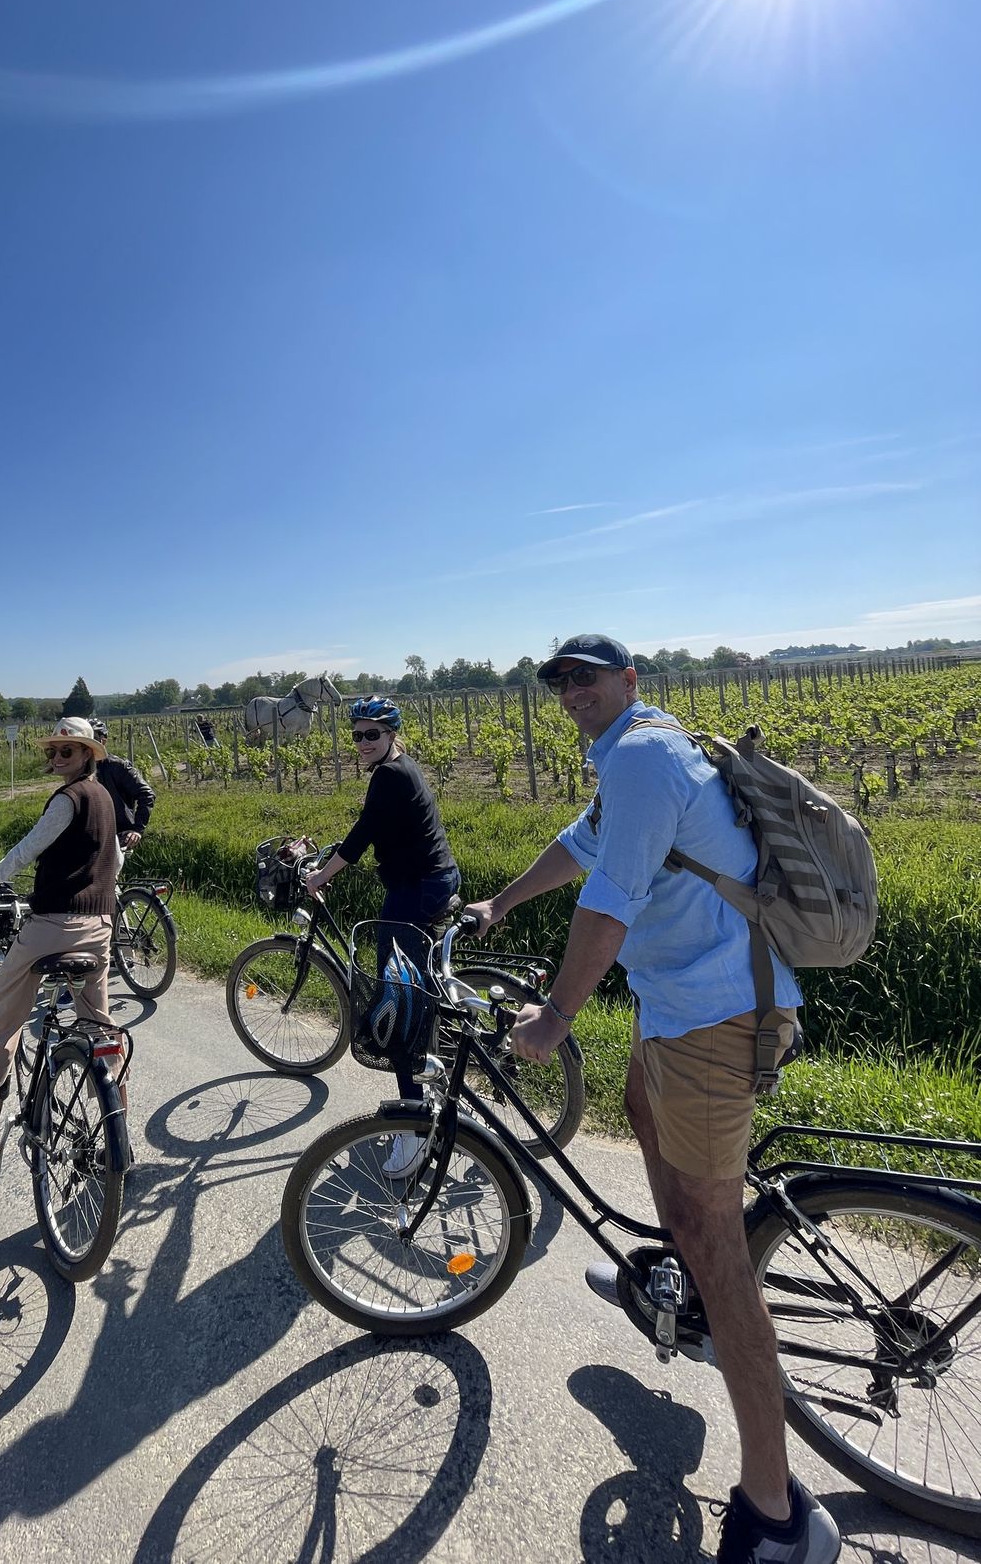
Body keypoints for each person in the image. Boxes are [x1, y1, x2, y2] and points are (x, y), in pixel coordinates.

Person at [465, 635, 838, 1564]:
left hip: (718, 1010)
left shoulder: (641, 753)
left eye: (585, 676)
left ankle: (777, 1511)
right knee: (638, 1105)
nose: (570, 692)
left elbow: (610, 896)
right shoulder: (632, 757)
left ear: (630, 680)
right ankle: (689, 1283)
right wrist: (500, 906)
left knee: (719, 1238)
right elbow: (580, 846)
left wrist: (554, 1016)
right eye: (558, 680)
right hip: (677, 1004)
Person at [0, 718, 123, 1182]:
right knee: (98, 1024)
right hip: (99, 923)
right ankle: (117, 1131)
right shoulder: (105, 799)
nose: (55, 760)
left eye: (65, 752)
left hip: (54, 924)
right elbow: (115, 857)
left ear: (87, 754)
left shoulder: (68, 799)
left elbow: (30, 846)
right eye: (52, 752)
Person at [303, 696, 459, 1178]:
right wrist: (331, 853)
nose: (364, 742)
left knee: (398, 1005)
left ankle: (413, 1132)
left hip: (415, 892)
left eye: (373, 734)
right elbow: (373, 829)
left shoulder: (390, 776)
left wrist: (319, 877)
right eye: (357, 734)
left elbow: (362, 837)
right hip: (435, 880)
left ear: (392, 735)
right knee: (423, 991)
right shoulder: (400, 769)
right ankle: (445, 1086)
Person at [88, 718, 156, 866]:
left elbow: (146, 794)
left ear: (103, 741)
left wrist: (137, 829)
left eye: (92, 739)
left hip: (118, 833)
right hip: (91, 834)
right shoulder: (79, 769)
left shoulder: (117, 766)